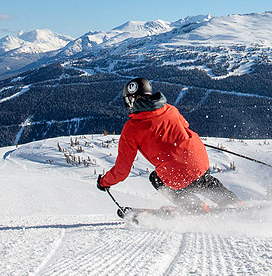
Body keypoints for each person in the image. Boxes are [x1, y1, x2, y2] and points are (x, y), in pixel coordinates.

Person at [97, 77, 240, 212]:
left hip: (177, 175)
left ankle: (195, 208)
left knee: (157, 178)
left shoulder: (132, 128)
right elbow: (185, 126)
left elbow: (122, 170)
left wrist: (104, 182)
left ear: (133, 99)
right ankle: (232, 201)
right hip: (200, 161)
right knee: (201, 179)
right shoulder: (170, 109)